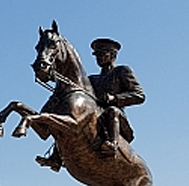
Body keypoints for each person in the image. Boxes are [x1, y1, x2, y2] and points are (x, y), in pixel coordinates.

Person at [36, 37, 145, 169]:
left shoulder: (122, 71)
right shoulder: (92, 79)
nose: (99, 58)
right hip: (95, 116)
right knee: (67, 121)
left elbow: (139, 95)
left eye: (102, 54)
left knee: (112, 110)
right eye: (97, 55)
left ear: (113, 55)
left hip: (114, 118)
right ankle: (56, 157)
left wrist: (114, 98)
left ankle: (112, 144)